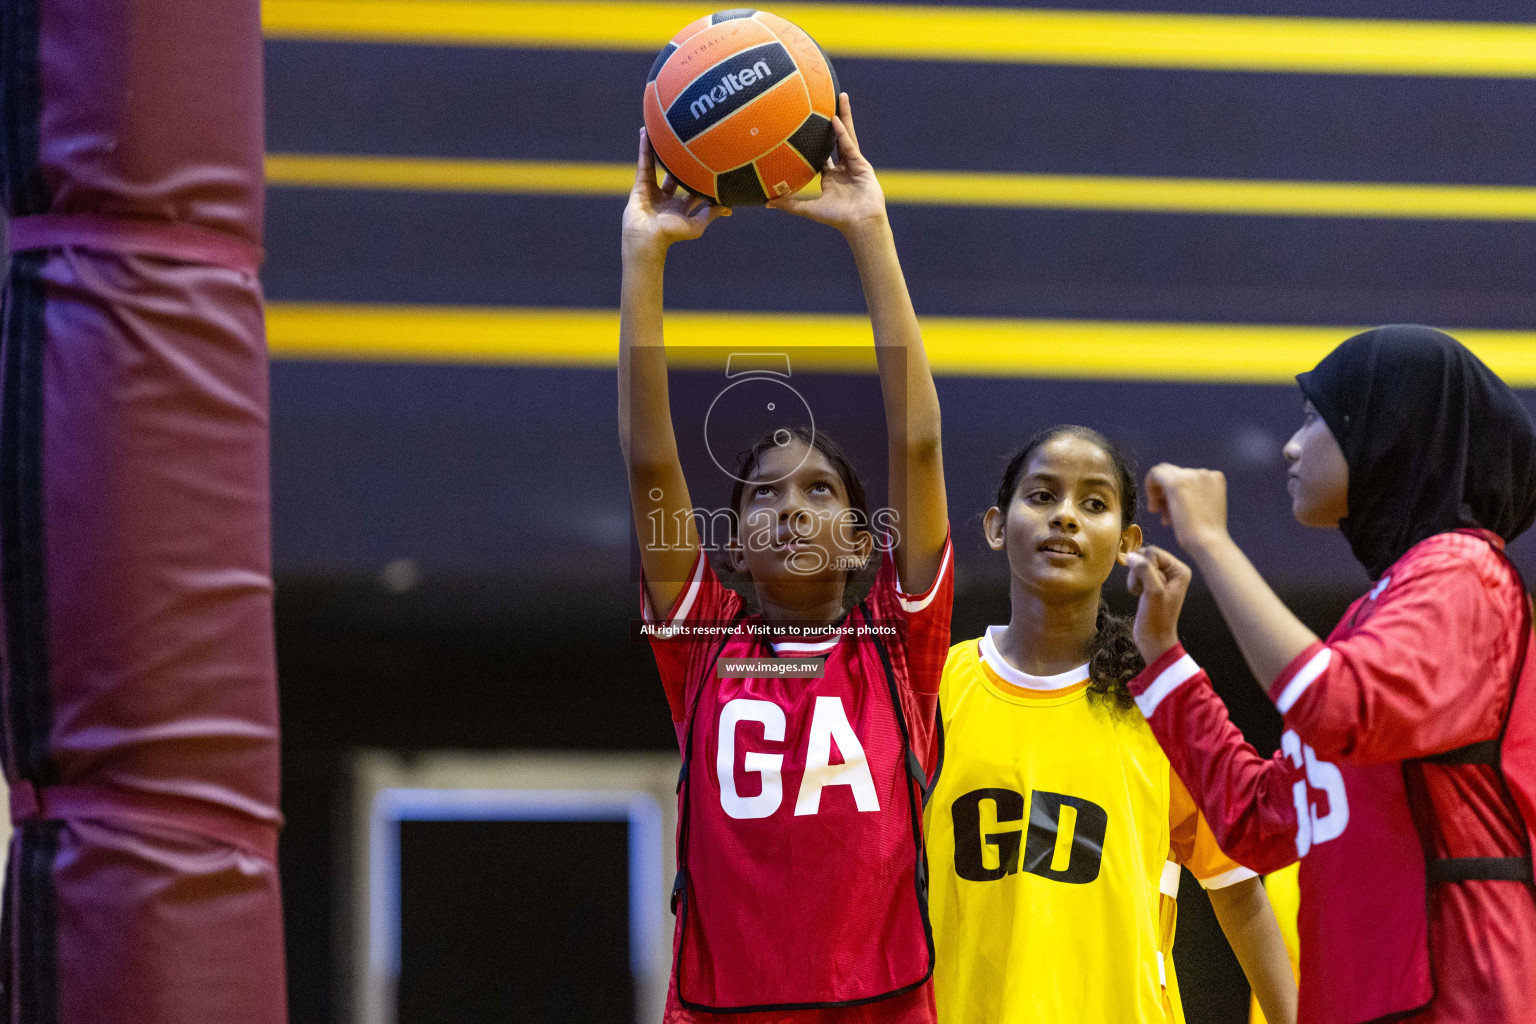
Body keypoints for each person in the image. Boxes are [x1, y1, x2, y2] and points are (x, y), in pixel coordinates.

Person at [621, 94, 952, 1023]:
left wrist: (870, 231)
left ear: (861, 540)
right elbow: (652, 461)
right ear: (733, 546)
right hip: (721, 1009)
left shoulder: (898, 642)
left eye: (820, 492)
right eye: (763, 493)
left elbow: (917, 444)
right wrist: (643, 257)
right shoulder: (700, 644)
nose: (792, 509)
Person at [1125, 325, 1536, 1023]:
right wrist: (1163, 656)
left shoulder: (1464, 574)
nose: (1290, 444)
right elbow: (1258, 821)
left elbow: (1333, 703)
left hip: (1465, 993)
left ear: (1388, 431)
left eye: (1316, 416)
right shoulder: (1375, 616)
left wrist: (1213, 543)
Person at [926, 425, 1296, 1024]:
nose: (1066, 517)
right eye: (1042, 496)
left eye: (1093, 503)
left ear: (1128, 542)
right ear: (996, 525)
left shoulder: (1159, 702)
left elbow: (1235, 886)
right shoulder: (936, 691)